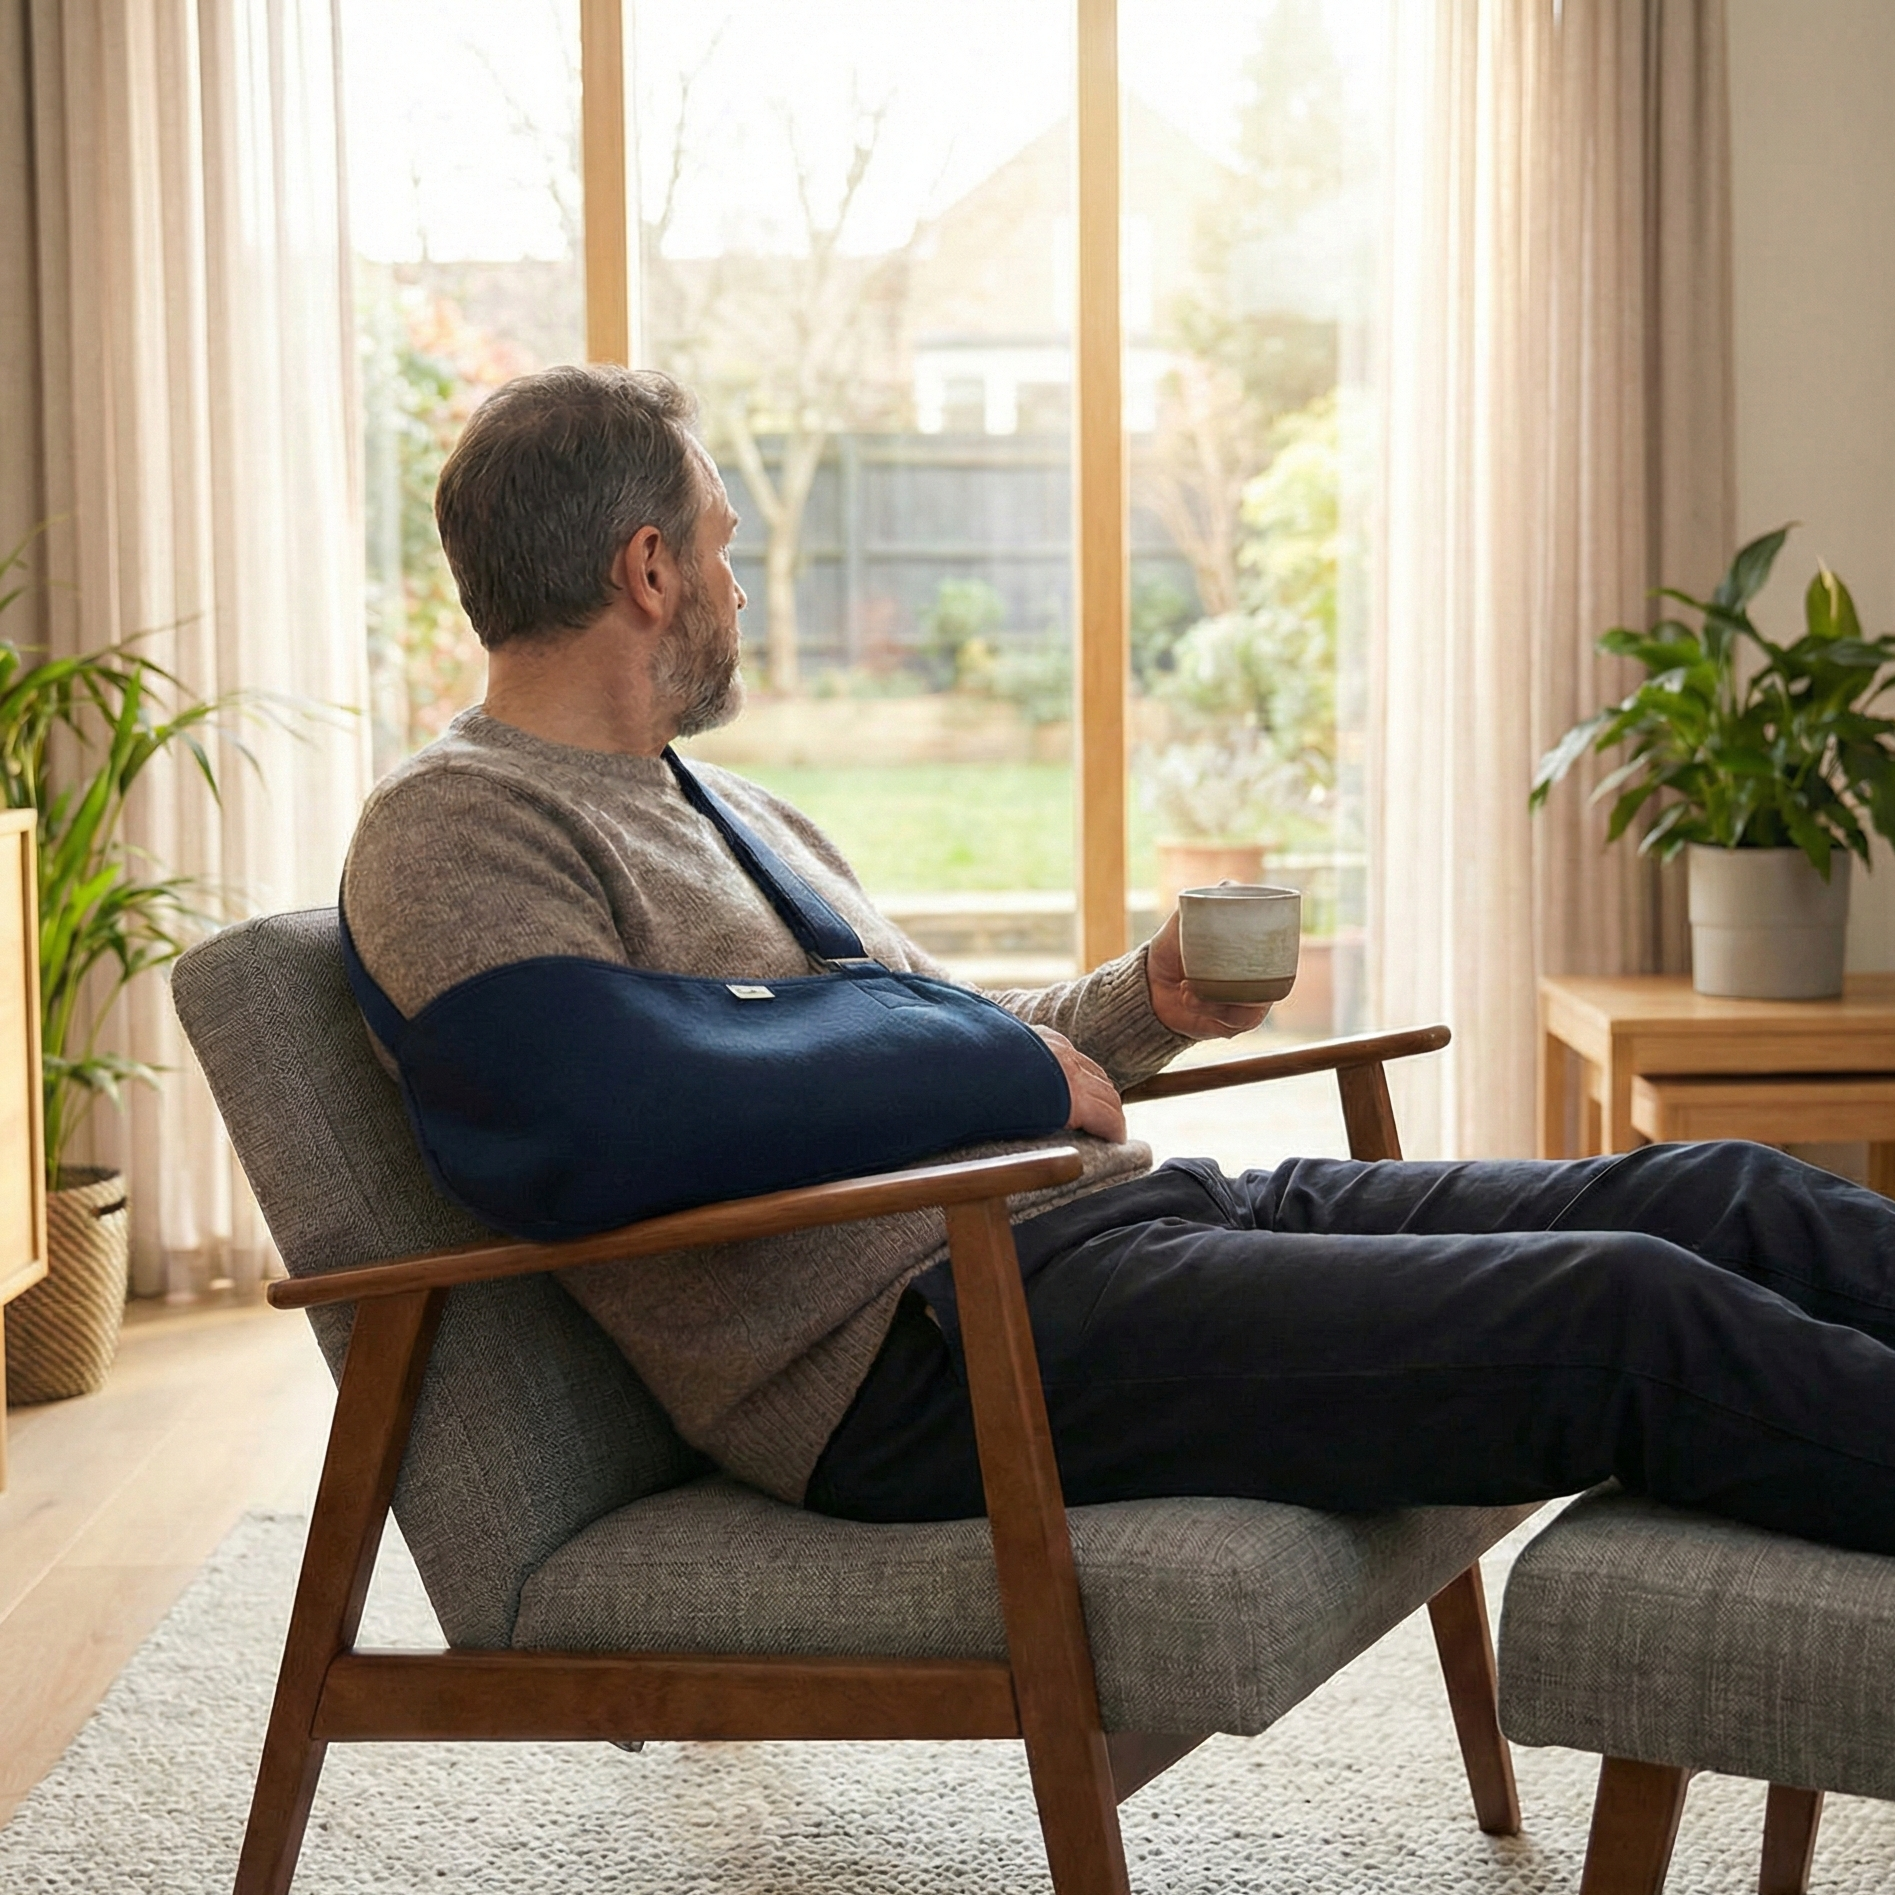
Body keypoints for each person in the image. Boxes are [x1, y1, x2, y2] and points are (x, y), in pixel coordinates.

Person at [344, 363, 1895, 1557]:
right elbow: (609, 1114)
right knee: (1615, 1311)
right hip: (924, 1360)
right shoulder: (456, 827)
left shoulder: (735, 808)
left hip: (1094, 1235)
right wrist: (989, 1061)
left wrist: (1137, 1009)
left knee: (1712, 1192)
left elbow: (926, 1041)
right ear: (648, 570)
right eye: (722, 550)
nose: (742, 588)